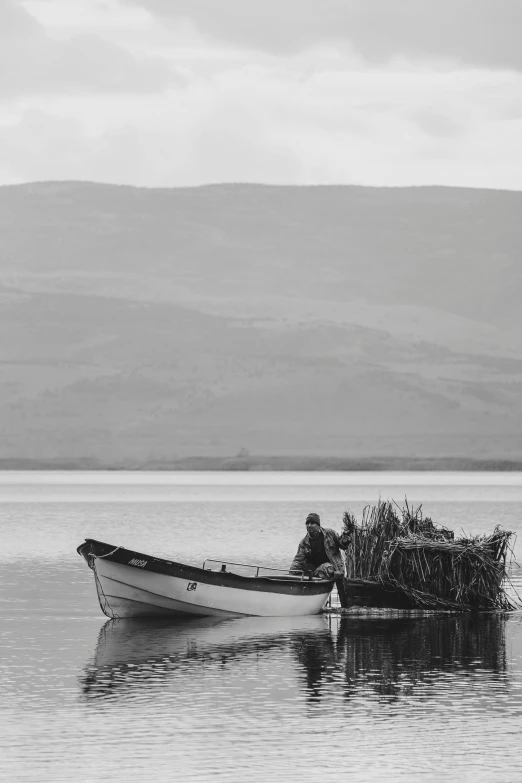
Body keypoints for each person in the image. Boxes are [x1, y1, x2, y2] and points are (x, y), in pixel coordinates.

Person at [290, 512, 351, 607]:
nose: (309, 525)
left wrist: (345, 540)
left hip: (333, 568)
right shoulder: (304, 543)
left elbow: (342, 544)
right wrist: (290, 576)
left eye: (312, 523)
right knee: (303, 571)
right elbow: (297, 561)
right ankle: (309, 600)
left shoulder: (330, 534)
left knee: (325, 568)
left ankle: (318, 599)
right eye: (307, 523)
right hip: (315, 571)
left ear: (318, 525)